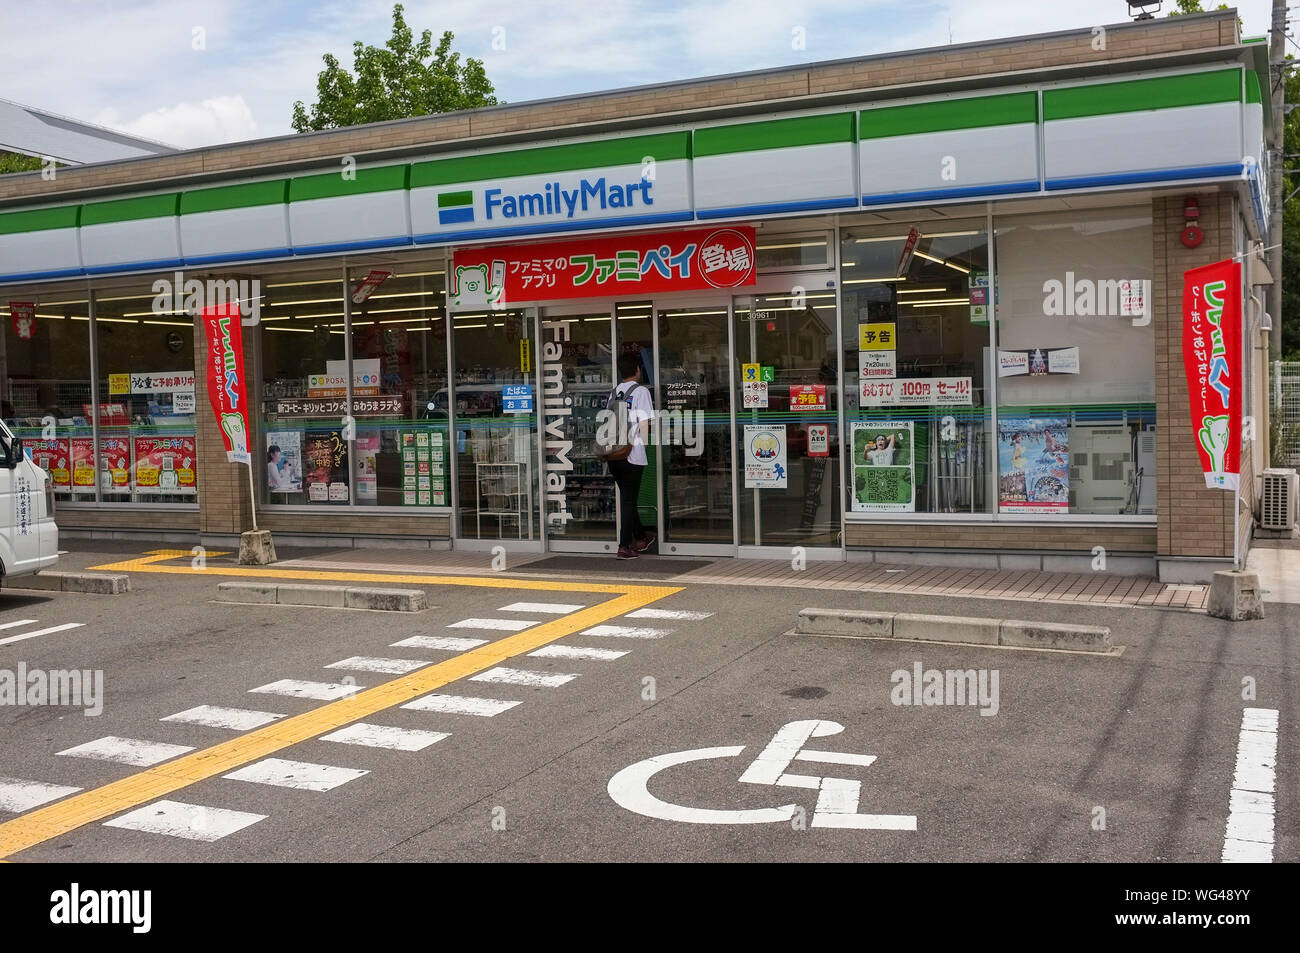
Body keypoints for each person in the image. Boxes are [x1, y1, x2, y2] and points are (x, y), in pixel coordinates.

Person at [608, 354, 656, 560]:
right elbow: (645, 423)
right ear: (637, 369)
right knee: (628, 500)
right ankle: (624, 546)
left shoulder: (614, 392)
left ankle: (641, 536)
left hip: (613, 454)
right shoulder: (641, 391)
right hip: (632, 454)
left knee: (628, 498)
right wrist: (643, 442)